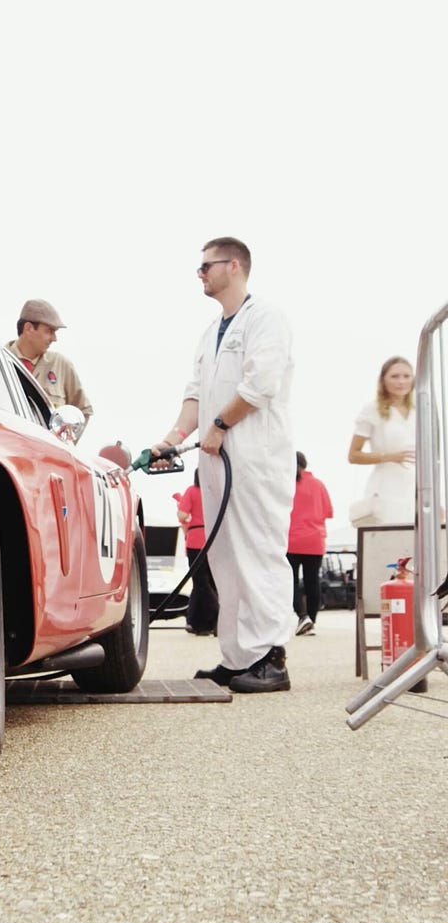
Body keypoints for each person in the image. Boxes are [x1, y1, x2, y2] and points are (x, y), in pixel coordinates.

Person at [151, 236, 295, 693]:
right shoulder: (211, 330)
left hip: (254, 457)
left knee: (258, 552)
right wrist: (173, 439)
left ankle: (271, 657)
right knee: (224, 556)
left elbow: (262, 383)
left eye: (206, 266)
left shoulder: (265, 317)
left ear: (234, 266)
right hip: (216, 459)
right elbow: (195, 392)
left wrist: (219, 424)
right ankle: (238, 658)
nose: (200, 274)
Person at [347, 356, 415, 526]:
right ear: (383, 380)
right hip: (385, 490)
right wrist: (390, 457)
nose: (401, 381)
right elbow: (353, 455)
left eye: (406, 376)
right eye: (395, 376)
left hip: (414, 489)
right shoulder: (372, 409)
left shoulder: (419, 410)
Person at [6, 300, 93, 425]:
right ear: (29, 328)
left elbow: (84, 410)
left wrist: (67, 442)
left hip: (45, 444)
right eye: (49, 331)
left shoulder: (61, 365)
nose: (54, 338)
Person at [287, 451, 333, 636]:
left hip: (291, 540)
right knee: (312, 581)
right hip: (314, 540)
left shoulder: (286, 484)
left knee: (290, 581)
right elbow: (328, 512)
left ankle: (302, 616)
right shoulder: (318, 485)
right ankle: (311, 621)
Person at [173, 470, 218, 637]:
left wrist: (188, 518)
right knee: (210, 581)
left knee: (200, 581)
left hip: (196, 539)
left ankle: (216, 613)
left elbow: (182, 515)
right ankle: (197, 622)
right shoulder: (215, 493)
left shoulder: (192, 491)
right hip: (214, 539)